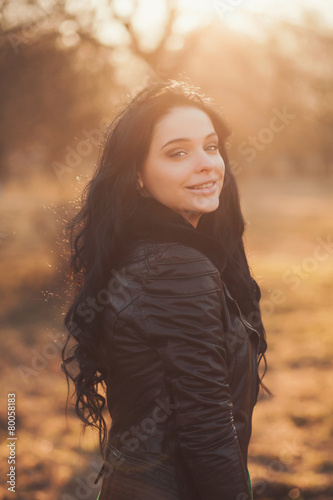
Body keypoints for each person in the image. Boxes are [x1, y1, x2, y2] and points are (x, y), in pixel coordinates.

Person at [61, 79, 272, 500]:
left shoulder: (149, 250)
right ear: (137, 177)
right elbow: (208, 430)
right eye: (178, 153)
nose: (206, 164)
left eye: (211, 147)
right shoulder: (174, 269)